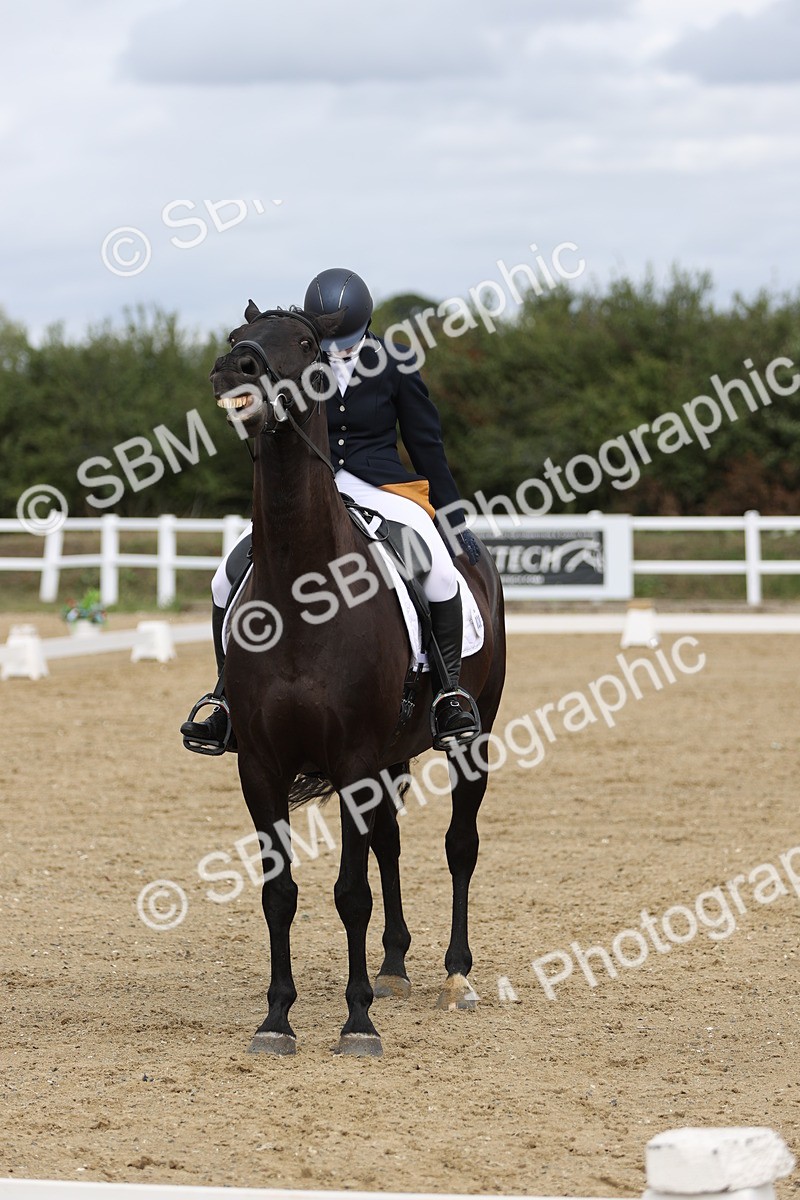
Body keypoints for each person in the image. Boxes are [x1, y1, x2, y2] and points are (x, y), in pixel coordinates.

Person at [180, 267, 482, 755]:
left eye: (347, 342)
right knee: (223, 579)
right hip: (313, 490)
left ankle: (448, 693)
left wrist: (451, 517)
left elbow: (427, 444)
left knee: (441, 576)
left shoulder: (396, 363)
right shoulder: (294, 360)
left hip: (383, 487)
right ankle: (226, 698)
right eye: (330, 342)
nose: (337, 352)